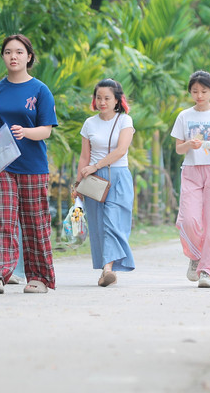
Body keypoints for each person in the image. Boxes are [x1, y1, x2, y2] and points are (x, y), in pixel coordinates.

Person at [0, 35, 58, 294]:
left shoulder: (40, 90)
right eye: (8, 52)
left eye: (19, 52)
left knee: (35, 221)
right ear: (3, 56)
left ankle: (39, 278)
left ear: (29, 57)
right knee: (3, 219)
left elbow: (46, 130)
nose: (14, 56)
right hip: (2, 165)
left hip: (33, 165)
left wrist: (27, 132)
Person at [171, 70, 210, 288]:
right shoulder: (184, 116)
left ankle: (207, 271)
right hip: (191, 170)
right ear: (190, 92)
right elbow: (179, 149)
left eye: (204, 91)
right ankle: (196, 255)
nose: (199, 95)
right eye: (195, 91)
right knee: (189, 220)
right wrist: (190, 144)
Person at [76, 79, 136, 287]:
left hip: (118, 176)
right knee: (99, 225)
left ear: (117, 99)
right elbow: (84, 156)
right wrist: (78, 185)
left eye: (107, 98)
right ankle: (106, 269)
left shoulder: (124, 121)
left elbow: (121, 151)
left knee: (113, 222)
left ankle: (108, 269)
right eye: (98, 98)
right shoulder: (89, 123)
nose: (102, 102)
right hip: (93, 181)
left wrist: (96, 165)